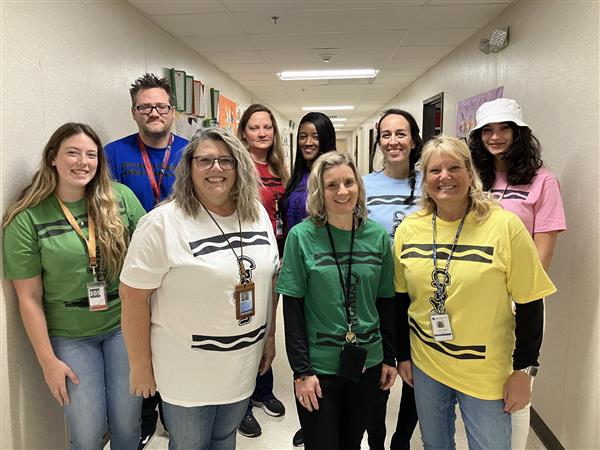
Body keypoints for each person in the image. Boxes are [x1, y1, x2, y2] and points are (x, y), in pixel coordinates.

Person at [119, 127, 280, 450]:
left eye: (225, 160)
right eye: (205, 160)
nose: (216, 169)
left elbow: (269, 281)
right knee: (189, 444)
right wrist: (140, 366)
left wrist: (269, 339)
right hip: (187, 371)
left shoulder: (257, 215)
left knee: (224, 439)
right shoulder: (163, 223)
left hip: (241, 363)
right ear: (189, 167)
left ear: (239, 167)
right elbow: (133, 297)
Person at [394, 136, 557, 450]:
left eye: (454, 167)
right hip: (428, 364)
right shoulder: (409, 229)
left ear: (470, 173)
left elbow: (530, 301)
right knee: (435, 444)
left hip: (486, 371)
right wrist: (403, 355)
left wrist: (524, 371)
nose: (445, 177)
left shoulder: (505, 227)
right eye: (434, 170)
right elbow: (402, 300)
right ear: (424, 179)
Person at [3, 122, 146, 450]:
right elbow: (28, 298)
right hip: (70, 337)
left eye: (91, 154)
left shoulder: (119, 198)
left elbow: (151, 252)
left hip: (124, 327)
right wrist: (47, 362)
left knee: (127, 424)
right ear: (53, 157)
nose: (83, 161)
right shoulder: (27, 218)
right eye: (73, 152)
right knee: (86, 432)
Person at [276, 152, 397, 450]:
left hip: (367, 363)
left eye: (348, 182)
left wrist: (389, 357)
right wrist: (301, 372)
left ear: (359, 186)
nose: (342, 191)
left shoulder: (378, 237)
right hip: (319, 368)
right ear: (319, 191)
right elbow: (292, 309)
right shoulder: (301, 237)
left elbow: (386, 303)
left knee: (352, 444)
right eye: (332, 185)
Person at [469, 98, 566, 449]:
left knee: (518, 384)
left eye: (504, 128)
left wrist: (519, 296)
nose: (495, 137)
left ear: (519, 133)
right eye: (487, 131)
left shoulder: (543, 180)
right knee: (481, 382)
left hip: (521, 298)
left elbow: (545, 247)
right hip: (478, 298)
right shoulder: (474, 178)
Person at [105, 72, 188, 448]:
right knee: (138, 339)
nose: (154, 112)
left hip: (182, 269)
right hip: (133, 269)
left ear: (174, 111)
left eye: (161, 106)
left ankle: (175, 411)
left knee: (175, 338)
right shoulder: (113, 153)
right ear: (134, 113)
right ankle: (143, 416)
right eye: (145, 107)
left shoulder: (192, 151)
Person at [362, 109, 423, 450]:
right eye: (386, 135)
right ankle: (377, 441)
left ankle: (401, 440)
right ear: (379, 142)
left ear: (413, 139)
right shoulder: (366, 185)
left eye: (401, 134)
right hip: (379, 295)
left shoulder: (430, 183)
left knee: (415, 376)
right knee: (378, 376)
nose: (393, 141)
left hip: (419, 295)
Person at [280, 111, 337, 447]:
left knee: (325, 347)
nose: (308, 141)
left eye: (315, 136)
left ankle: (328, 415)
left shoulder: (332, 175)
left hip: (324, 275)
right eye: (303, 135)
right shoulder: (297, 175)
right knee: (299, 345)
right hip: (295, 272)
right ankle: (310, 419)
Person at [236, 104, 288, 438]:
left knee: (268, 324)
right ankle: (240, 402)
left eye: (267, 127)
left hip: (275, 256)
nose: (262, 133)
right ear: (243, 132)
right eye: (255, 128)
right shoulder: (238, 166)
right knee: (245, 324)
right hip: (244, 258)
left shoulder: (281, 167)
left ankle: (263, 388)